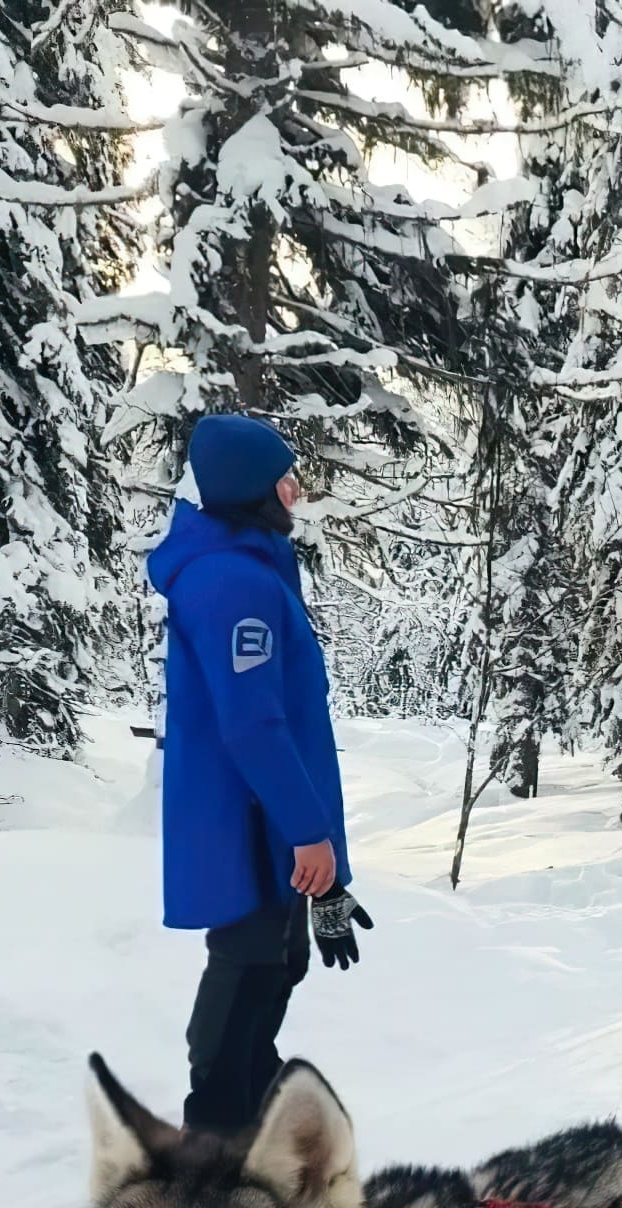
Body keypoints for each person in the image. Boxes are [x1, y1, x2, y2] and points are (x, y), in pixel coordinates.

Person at [148, 414, 373, 1135]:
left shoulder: (253, 571)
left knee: (274, 968)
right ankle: (214, 1139)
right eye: (286, 479)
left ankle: (253, 1131)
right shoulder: (231, 584)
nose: (297, 493)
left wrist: (329, 872)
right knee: (245, 972)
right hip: (249, 826)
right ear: (249, 489)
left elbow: (297, 728)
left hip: (272, 824)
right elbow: (253, 726)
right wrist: (308, 835)